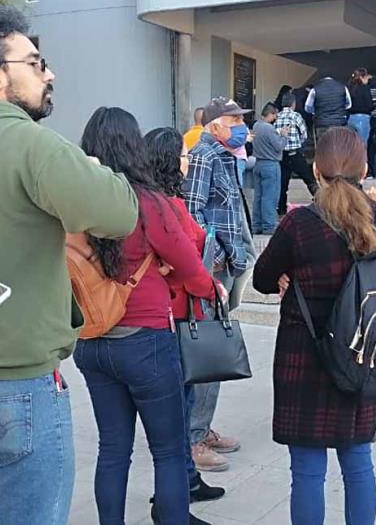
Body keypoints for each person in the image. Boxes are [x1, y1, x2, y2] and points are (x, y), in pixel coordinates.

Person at [0, 9, 139, 525]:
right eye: (35, 63)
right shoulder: (31, 143)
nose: (48, 73)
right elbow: (119, 214)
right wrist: (97, 171)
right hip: (14, 387)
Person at [73, 107, 218, 525]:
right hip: (145, 339)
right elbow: (190, 267)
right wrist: (210, 289)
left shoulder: (75, 202)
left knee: (113, 449)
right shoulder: (147, 202)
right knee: (168, 450)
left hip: (92, 338)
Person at [253, 127, 376, 525]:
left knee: (306, 471)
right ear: (364, 170)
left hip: (304, 354)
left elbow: (262, 279)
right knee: (358, 462)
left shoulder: (299, 223)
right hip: (359, 350)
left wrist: (286, 277)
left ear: (316, 170)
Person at [143, 127, 228, 524]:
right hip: (178, 315)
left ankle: (188, 479)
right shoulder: (169, 207)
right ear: (167, 160)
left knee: (182, 405)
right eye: (182, 154)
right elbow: (187, 263)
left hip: (171, 312)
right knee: (180, 409)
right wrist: (211, 286)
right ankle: (176, 493)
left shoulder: (151, 202)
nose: (188, 160)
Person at [183, 97, 257, 472]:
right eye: (233, 120)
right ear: (214, 126)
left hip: (227, 264)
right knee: (209, 354)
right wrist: (210, 258)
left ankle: (201, 428)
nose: (241, 126)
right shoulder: (204, 156)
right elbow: (192, 210)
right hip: (212, 268)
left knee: (214, 353)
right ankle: (193, 439)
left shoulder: (225, 156)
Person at [275, 91, 315, 216]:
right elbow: (304, 134)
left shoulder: (277, 116)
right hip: (295, 153)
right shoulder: (296, 116)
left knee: (283, 184)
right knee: (309, 179)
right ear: (293, 104)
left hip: (282, 155)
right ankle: (320, 201)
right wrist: (299, 143)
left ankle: (281, 210)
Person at [252, 103, 288, 235]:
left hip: (258, 163)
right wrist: (284, 135)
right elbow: (279, 146)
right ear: (271, 114)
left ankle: (256, 225)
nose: (275, 118)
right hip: (271, 165)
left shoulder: (256, 126)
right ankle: (269, 225)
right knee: (270, 196)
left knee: (258, 196)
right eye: (275, 115)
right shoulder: (269, 128)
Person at [306, 74, 352, 140]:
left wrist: (315, 112)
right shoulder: (343, 87)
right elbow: (349, 105)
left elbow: (307, 107)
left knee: (324, 144)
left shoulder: (315, 89)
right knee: (339, 144)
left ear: (321, 80)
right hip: (339, 122)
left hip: (322, 123)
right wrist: (340, 109)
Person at [347, 67, 373, 144]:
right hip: (363, 118)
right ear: (362, 77)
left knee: (352, 144)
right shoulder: (365, 88)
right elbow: (369, 105)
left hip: (351, 118)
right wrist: (374, 104)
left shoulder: (349, 87)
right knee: (362, 143)